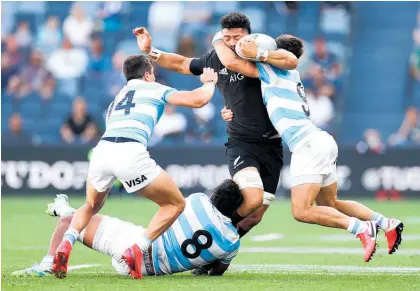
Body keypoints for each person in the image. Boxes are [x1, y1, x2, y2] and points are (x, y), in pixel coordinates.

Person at [214, 33, 404, 262]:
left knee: (301, 211)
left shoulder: (272, 71)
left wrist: (220, 39)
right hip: (320, 140)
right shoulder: (288, 74)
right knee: (329, 203)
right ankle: (386, 223)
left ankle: (361, 228)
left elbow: (233, 62)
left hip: (308, 144)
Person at [52, 55, 218, 279]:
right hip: (130, 151)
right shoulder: (154, 88)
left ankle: (67, 243)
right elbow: (198, 100)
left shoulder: (118, 97)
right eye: (153, 73)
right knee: (175, 203)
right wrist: (209, 82)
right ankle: (137, 249)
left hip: (102, 150)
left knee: (91, 204)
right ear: (147, 74)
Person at [133, 12, 294, 240]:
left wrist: (220, 40)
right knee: (252, 198)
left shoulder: (260, 56)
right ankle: (200, 232)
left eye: (237, 37)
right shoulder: (216, 59)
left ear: (250, 36)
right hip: (242, 143)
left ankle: (217, 253)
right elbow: (181, 63)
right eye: (227, 37)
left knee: (255, 216)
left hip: (273, 145)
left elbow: (287, 65)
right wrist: (151, 51)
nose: (231, 42)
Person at [13, 179, 242, 278]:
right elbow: (218, 271)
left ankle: (47, 263)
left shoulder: (199, 200)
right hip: (148, 270)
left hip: (132, 246)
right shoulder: (232, 242)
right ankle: (65, 209)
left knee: (68, 223)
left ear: (213, 195)